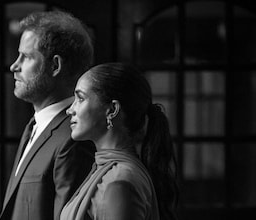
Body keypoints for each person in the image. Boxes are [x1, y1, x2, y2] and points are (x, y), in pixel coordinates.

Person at [0, 11, 96, 220]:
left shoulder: (74, 139)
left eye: (26, 57)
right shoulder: (33, 126)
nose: (14, 66)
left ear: (55, 66)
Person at [61, 63, 179, 220]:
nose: (70, 109)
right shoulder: (106, 172)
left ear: (111, 110)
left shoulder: (120, 182)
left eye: (80, 98)